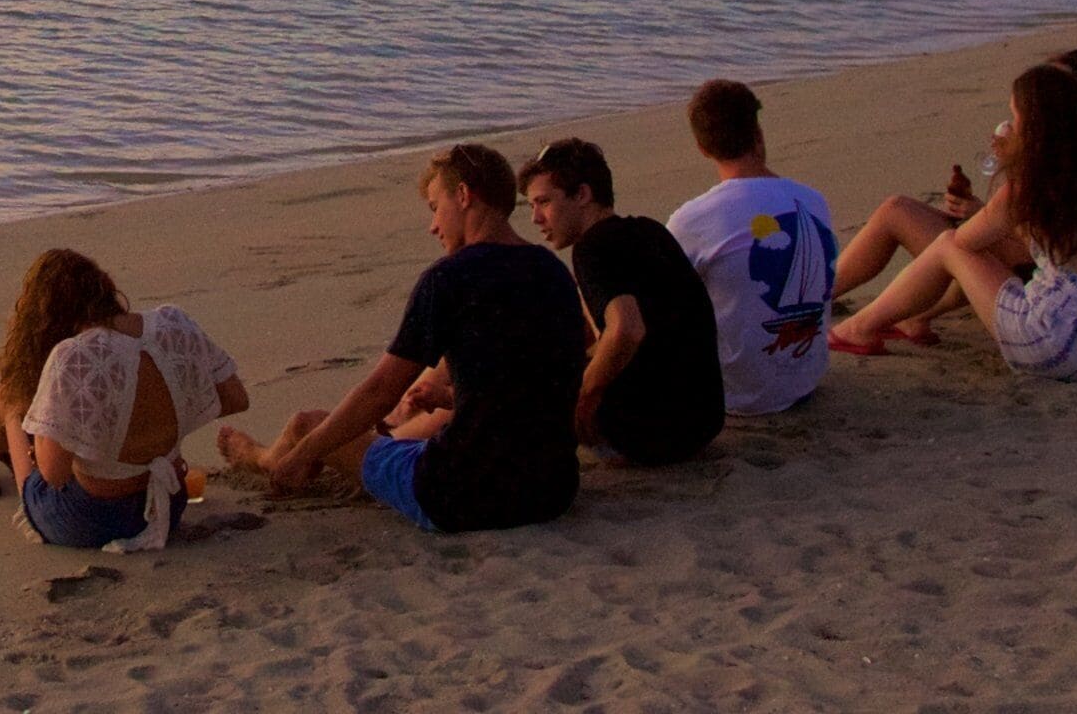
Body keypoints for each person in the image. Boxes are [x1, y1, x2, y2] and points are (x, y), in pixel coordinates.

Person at [218, 143, 586, 533]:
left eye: (434, 208)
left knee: (308, 426)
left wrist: (306, 454)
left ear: (463, 196)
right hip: (552, 491)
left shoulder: (449, 278)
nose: (433, 225)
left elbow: (380, 391)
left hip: (461, 495)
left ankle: (264, 459)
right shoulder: (553, 272)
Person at [831, 62, 1077, 380]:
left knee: (948, 247)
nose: (1009, 127)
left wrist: (1011, 168)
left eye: (1015, 119)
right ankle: (907, 318)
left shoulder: (1031, 184)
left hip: (1065, 346)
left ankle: (857, 328)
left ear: (1035, 128)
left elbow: (965, 243)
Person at [0, 248, 248, 551]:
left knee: (7, 395)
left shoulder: (73, 356)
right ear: (106, 286)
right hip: (167, 504)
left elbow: (54, 476)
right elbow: (235, 398)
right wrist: (157, 430)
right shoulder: (173, 323)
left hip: (91, 521)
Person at [517, 138, 725, 466]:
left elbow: (627, 330)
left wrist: (585, 396)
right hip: (702, 422)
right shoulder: (650, 231)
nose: (536, 218)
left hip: (648, 438)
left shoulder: (591, 249)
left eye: (543, 202)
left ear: (582, 195)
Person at [664, 80, 837, 416]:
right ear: (758, 132)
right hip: (805, 379)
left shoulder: (694, 219)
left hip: (738, 395)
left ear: (702, 147)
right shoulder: (813, 200)